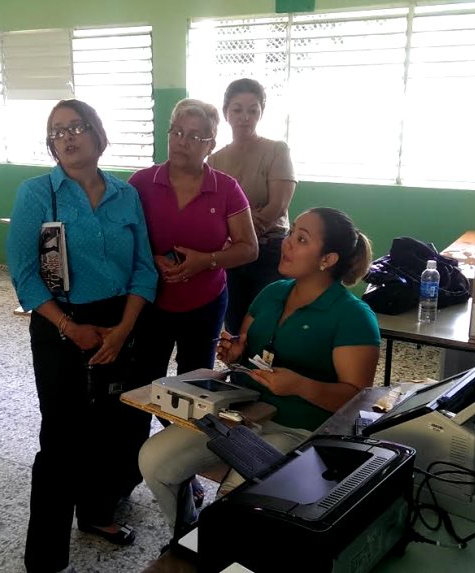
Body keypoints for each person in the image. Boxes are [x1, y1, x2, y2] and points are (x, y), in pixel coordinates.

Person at [139, 208, 380, 529]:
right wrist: (236, 355)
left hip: (299, 431)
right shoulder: (272, 294)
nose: (287, 242)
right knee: (153, 460)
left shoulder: (353, 316)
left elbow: (356, 402)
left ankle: (220, 551)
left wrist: (299, 386)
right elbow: (247, 357)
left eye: (302, 239)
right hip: (240, 417)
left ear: (328, 259)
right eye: (292, 232)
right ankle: (186, 536)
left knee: (236, 498)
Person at [6, 99, 158, 573]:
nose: (67, 137)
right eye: (57, 132)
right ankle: (46, 556)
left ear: (96, 133)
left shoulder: (124, 193)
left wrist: (123, 329)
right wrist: (71, 328)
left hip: (120, 322)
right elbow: (25, 274)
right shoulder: (37, 194)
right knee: (62, 435)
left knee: (112, 427)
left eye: (76, 127)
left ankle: (96, 513)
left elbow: (144, 269)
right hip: (60, 325)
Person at [128, 97, 258, 399]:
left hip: (205, 302)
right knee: (143, 379)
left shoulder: (226, 188)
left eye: (194, 136)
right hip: (150, 300)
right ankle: (136, 445)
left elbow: (249, 248)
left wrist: (206, 261)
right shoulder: (141, 183)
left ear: (210, 145)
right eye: (176, 132)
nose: (181, 141)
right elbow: (123, 242)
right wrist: (152, 260)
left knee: (194, 383)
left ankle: (186, 442)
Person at [208, 78, 297, 334]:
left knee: (267, 323)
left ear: (261, 113)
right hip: (232, 254)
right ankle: (240, 374)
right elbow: (213, 210)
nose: (245, 117)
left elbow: (278, 205)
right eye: (237, 109)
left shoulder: (276, 150)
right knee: (235, 323)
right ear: (226, 113)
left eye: (253, 110)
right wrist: (234, 244)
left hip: (270, 251)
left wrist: (242, 236)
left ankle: (268, 375)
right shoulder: (215, 159)